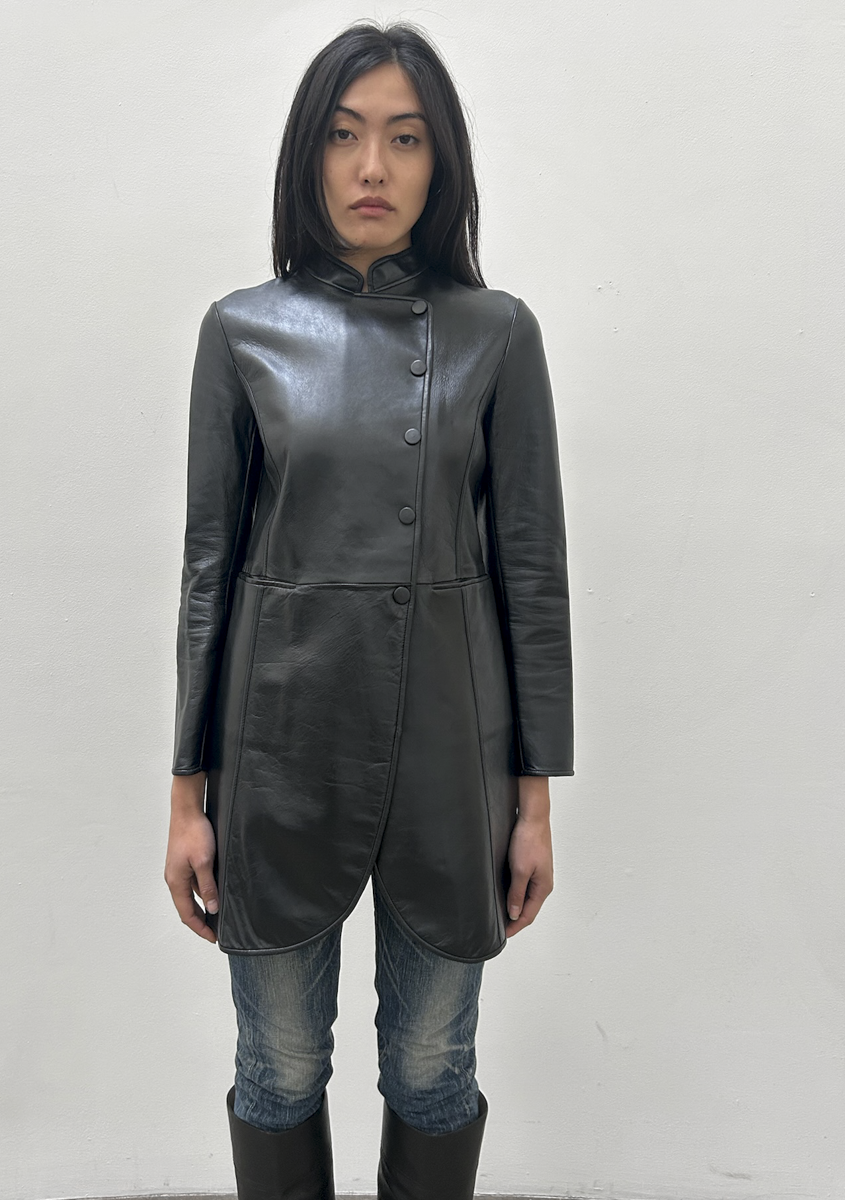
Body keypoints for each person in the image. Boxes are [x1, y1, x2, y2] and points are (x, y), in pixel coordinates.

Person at [164, 19, 574, 1200]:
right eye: (344, 137)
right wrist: (188, 797)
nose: (372, 168)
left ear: (442, 162)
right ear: (309, 156)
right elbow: (208, 571)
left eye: (405, 138)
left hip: (452, 761)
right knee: (280, 1068)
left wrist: (535, 800)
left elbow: (533, 573)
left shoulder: (499, 335)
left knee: (433, 1068)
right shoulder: (241, 331)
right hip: (278, 758)